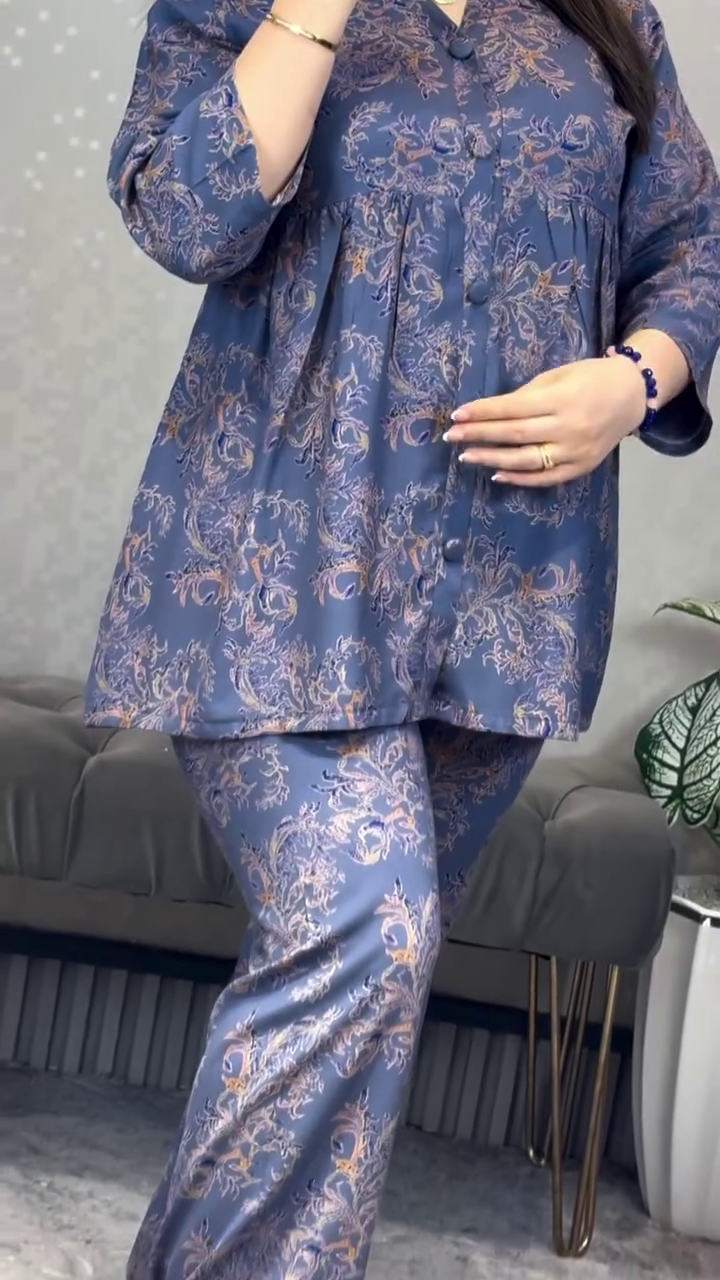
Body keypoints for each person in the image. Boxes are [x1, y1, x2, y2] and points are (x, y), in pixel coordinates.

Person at [86, 0, 720, 1274]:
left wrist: (635, 379)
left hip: (510, 595)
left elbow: (691, 236)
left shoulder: (604, 17)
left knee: (362, 982)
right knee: (365, 931)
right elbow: (188, 216)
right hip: (276, 580)